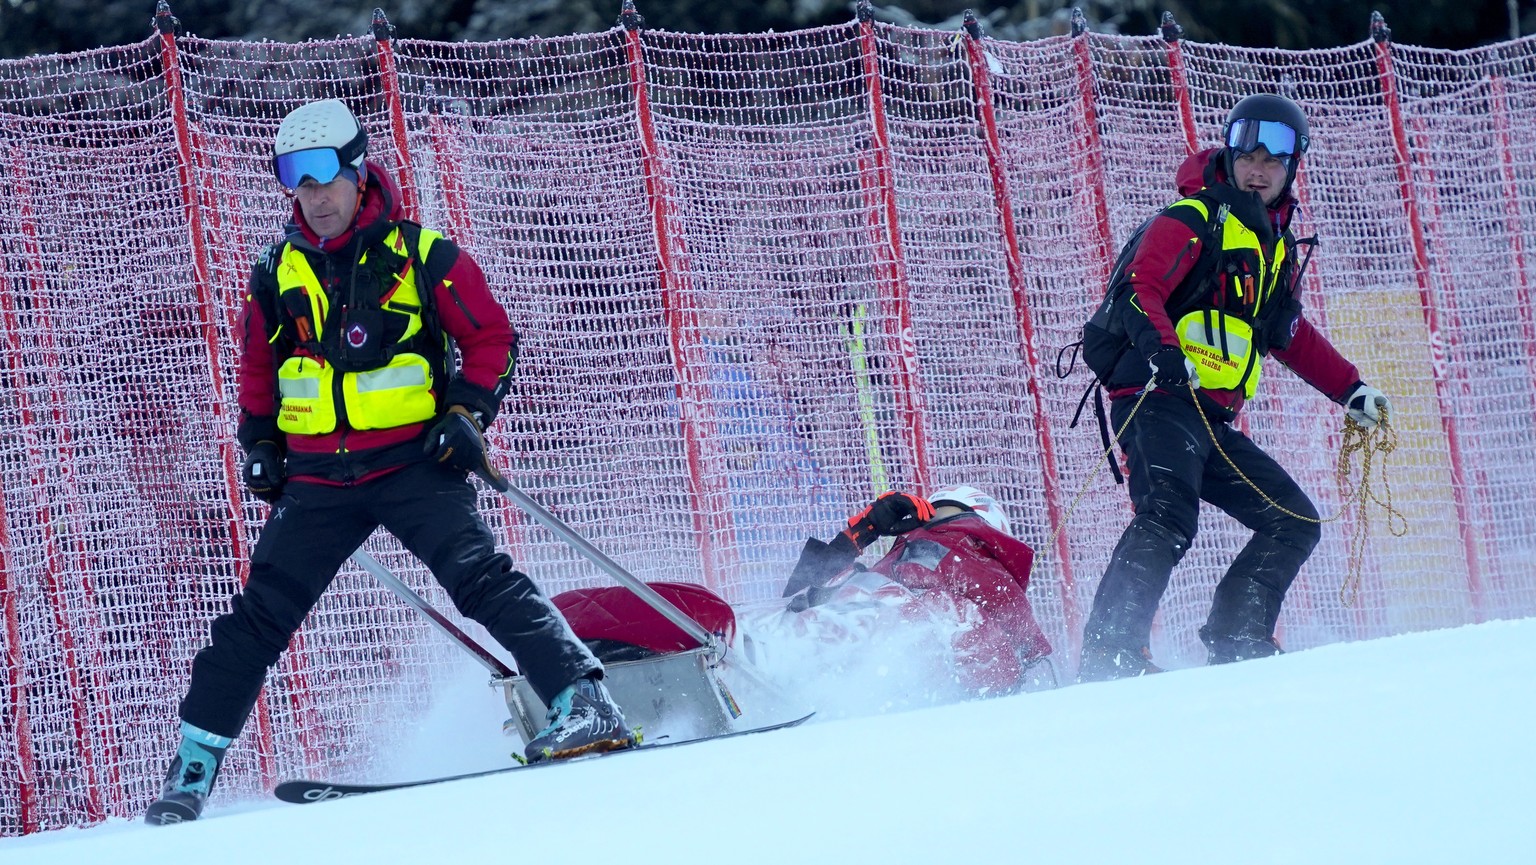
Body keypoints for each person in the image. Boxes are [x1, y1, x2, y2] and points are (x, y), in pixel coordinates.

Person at [146, 99, 635, 824]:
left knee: (480, 581)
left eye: (323, 176)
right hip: (316, 478)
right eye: (294, 178)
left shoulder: (422, 255)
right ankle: (192, 768)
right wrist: (259, 446)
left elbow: (493, 337)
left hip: (413, 463)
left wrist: (467, 413)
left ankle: (585, 701)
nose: (313, 196)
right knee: (256, 620)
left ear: (357, 168)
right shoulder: (276, 274)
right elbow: (257, 372)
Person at [1077, 93, 1393, 682]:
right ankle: (1110, 653)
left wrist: (1352, 391)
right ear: (1228, 152)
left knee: (1292, 520)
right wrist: (1164, 353)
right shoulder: (1192, 219)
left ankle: (1236, 639)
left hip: (1208, 421)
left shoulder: (1271, 247)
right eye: (1247, 153)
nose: (1258, 167)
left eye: (1274, 161)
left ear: (1291, 168)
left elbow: (1288, 334)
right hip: (1154, 400)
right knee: (1169, 515)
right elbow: (1138, 289)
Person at [775, 487, 1053, 696]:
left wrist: (862, 532)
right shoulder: (895, 569)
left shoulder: (908, 567)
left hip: (848, 657)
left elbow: (799, 603)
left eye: (947, 518)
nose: (934, 529)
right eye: (930, 520)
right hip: (888, 667)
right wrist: (863, 531)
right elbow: (802, 600)